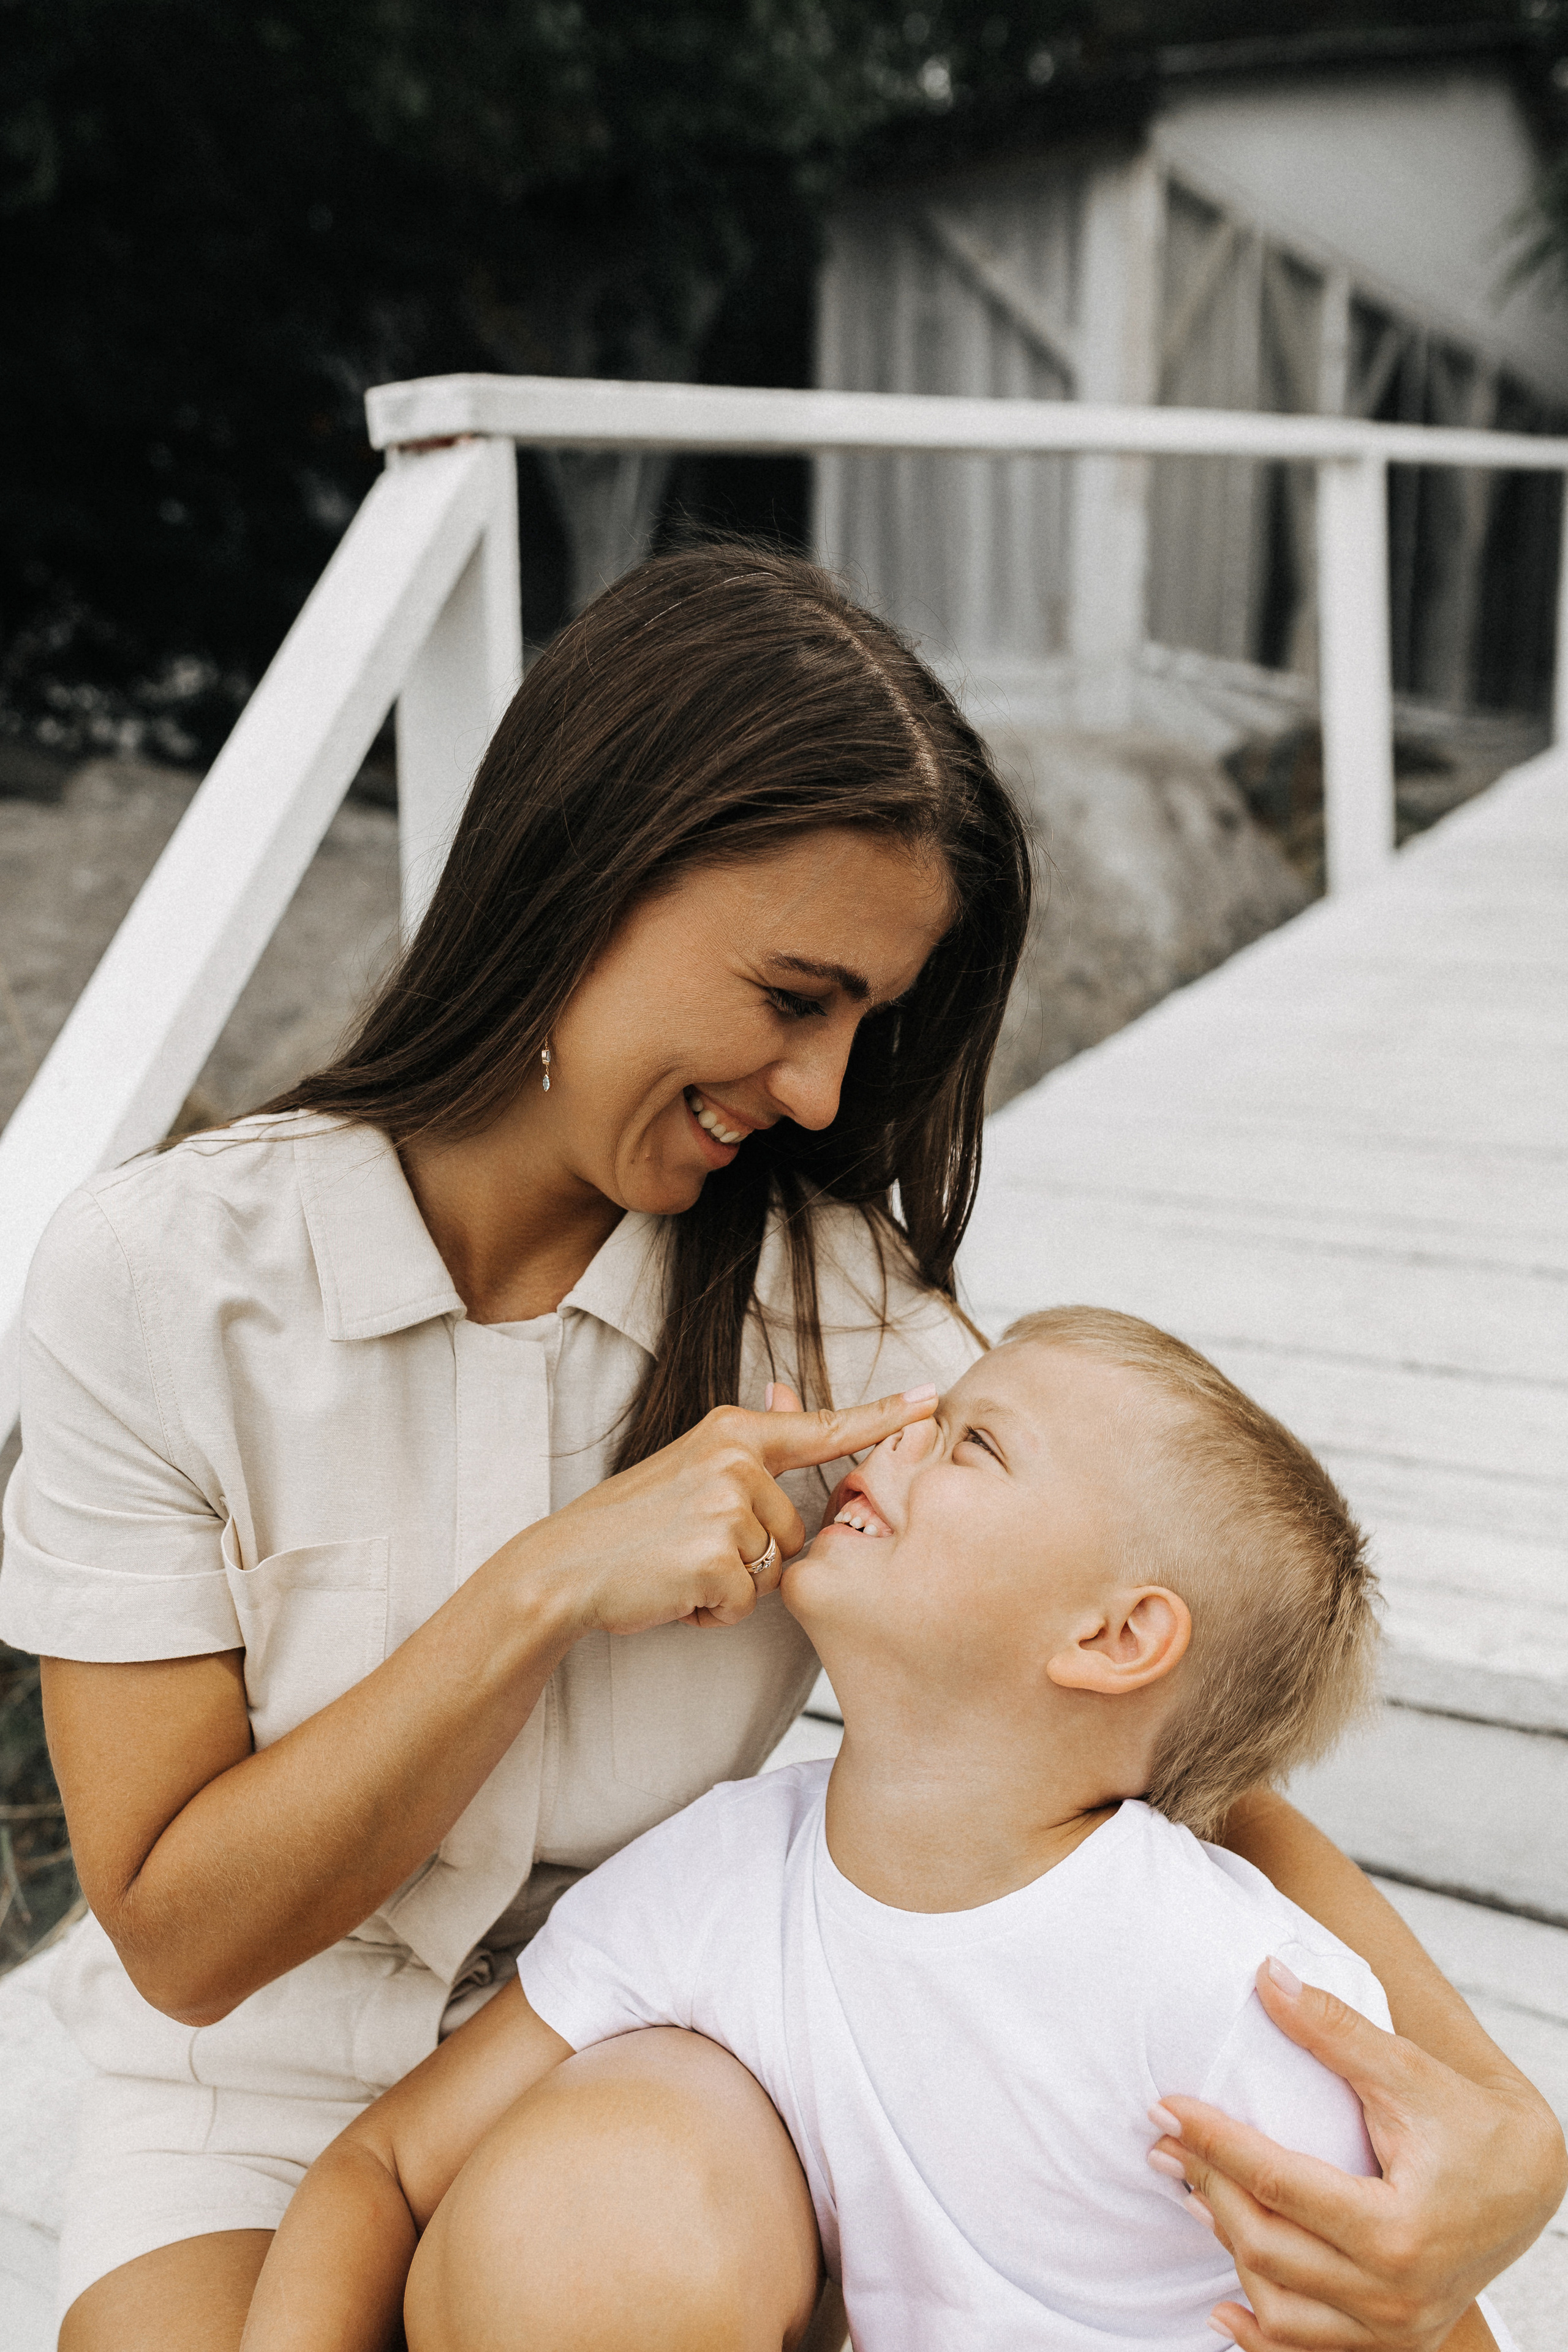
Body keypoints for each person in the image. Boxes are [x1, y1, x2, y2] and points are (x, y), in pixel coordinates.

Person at [0, 546, 1560, 2352]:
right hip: (247, 2099)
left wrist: (1509, 2138)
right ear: (586, 877)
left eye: (867, 1026)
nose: (824, 1095)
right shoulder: (159, 1278)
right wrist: (533, 1599)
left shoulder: (842, 1329)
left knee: (615, 2255)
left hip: (694, 2075)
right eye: (793, 996)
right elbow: (186, 1938)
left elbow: (1145, 1726)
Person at [236, 1308, 1537, 2352]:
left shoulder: (1228, 1989)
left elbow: (1413, 2306)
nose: (900, 1428)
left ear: (1112, 1638)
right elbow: (387, 2170)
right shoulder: (721, 1878)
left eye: (974, 1443)